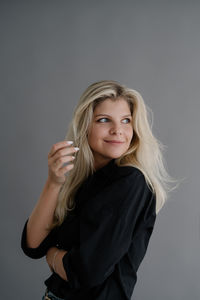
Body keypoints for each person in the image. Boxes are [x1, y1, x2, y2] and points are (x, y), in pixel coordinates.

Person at [21, 80, 174, 300]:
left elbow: (87, 273)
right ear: (85, 125)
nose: (118, 130)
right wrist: (53, 182)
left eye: (126, 121)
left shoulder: (131, 181)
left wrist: (53, 255)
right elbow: (33, 245)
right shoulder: (83, 179)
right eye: (104, 120)